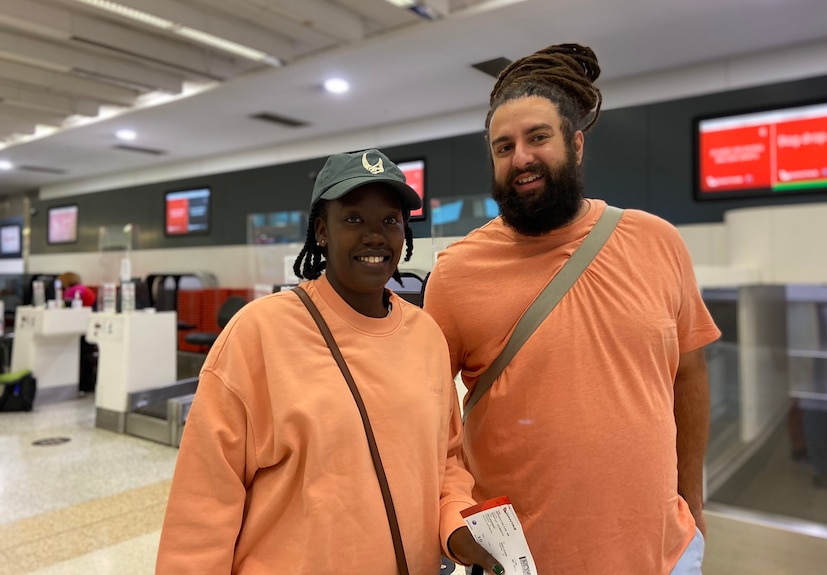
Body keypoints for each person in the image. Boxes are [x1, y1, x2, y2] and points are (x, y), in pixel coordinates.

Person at [423, 44, 721, 575]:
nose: (521, 158)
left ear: (576, 144)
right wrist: (451, 520)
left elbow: (689, 374)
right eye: (503, 146)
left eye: (538, 137)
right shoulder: (457, 273)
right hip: (522, 562)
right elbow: (427, 421)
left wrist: (692, 506)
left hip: (664, 554)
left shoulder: (657, 241)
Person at [156, 149, 503, 575]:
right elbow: (203, 504)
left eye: (390, 221)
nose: (375, 236)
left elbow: (446, 459)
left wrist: (455, 524)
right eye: (353, 219)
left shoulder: (426, 337)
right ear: (322, 231)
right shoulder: (259, 333)